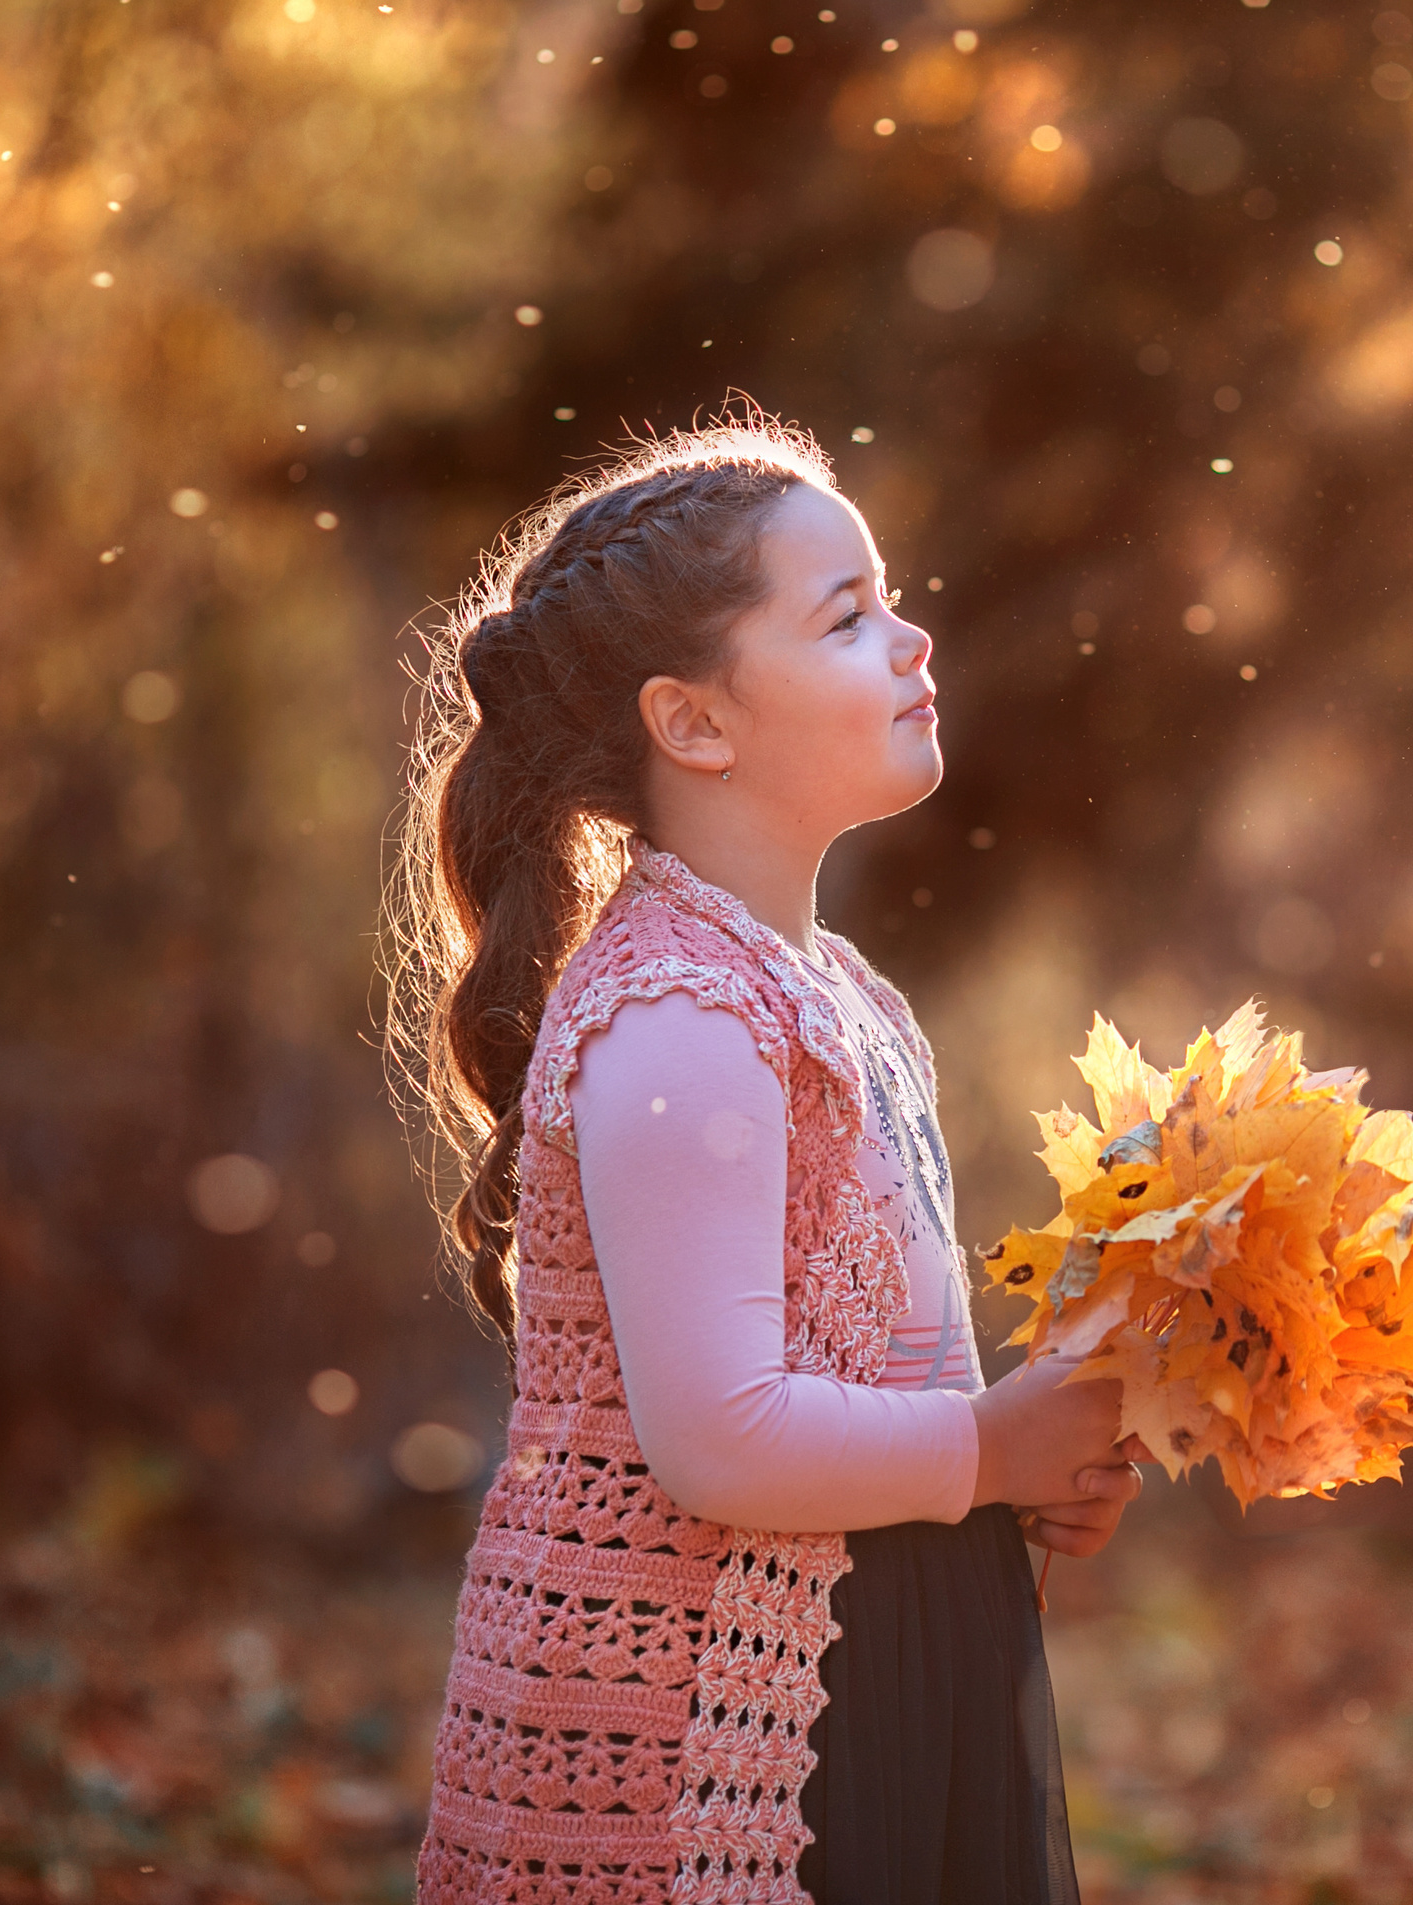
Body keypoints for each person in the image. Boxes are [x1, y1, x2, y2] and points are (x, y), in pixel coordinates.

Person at [391, 416, 1143, 1904]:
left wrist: (1022, 1467)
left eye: (894, 595)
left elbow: (895, 1383)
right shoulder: (678, 1011)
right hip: (724, 1728)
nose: (916, 637)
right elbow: (719, 1432)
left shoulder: (842, 997)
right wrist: (988, 1448)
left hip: (897, 1659)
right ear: (697, 723)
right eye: (849, 615)